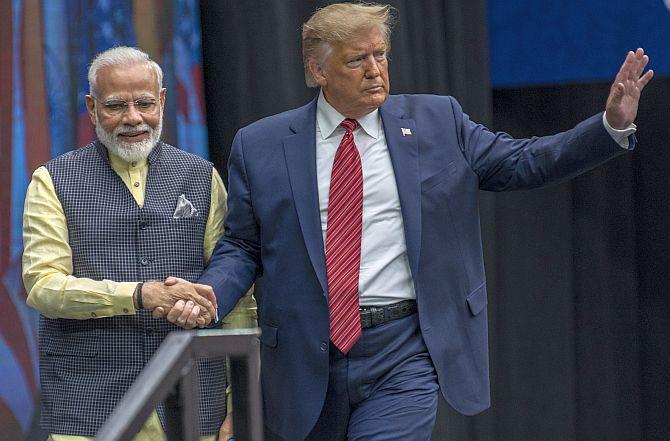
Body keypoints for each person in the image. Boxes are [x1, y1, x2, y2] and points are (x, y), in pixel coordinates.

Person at [171, 3, 652, 440]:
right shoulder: (260, 145)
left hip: (403, 350)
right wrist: (213, 291)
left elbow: (525, 161)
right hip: (305, 353)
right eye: (357, 60)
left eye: (381, 55)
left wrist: (607, 128)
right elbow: (242, 247)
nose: (376, 70)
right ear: (317, 70)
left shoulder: (438, 120)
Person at [22, 46, 255, 441]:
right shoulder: (52, 180)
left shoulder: (201, 175)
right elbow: (43, 287)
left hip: (196, 404)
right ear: (92, 108)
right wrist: (138, 295)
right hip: (89, 406)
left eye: (145, 103)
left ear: (162, 101)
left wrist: (240, 404)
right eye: (116, 106)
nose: (133, 118)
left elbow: (235, 297)